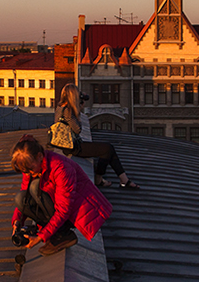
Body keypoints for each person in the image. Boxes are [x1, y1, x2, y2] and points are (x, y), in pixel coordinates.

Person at [11, 134, 113, 263]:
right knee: (20, 198)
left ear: (39, 156)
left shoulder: (61, 167)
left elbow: (64, 209)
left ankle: (64, 234)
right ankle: (56, 233)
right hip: (58, 209)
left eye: (30, 170)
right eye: (25, 171)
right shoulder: (32, 166)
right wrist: (17, 222)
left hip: (75, 213)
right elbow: (24, 196)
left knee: (35, 186)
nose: (29, 174)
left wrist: (41, 237)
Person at [51, 83, 141, 189]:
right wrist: (78, 112)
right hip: (73, 147)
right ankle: (100, 179)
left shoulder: (60, 107)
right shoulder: (67, 111)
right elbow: (77, 129)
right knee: (107, 148)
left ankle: (124, 180)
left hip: (69, 145)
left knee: (108, 149)